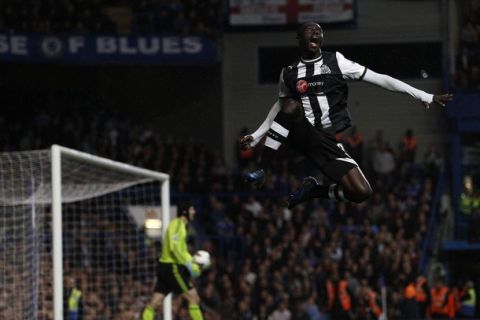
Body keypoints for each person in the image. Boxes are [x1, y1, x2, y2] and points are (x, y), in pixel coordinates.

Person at [240, 22, 453, 208]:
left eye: (319, 30)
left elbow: (382, 79)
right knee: (290, 107)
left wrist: (424, 95)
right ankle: (262, 169)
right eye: (310, 29)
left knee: (361, 192)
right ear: (299, 38)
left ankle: (313, 191)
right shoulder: (288, 72)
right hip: (301, 132)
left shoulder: (336, 62)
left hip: (326, 140)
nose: (316, 32)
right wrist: (257, 135)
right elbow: (280, 106)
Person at [142, 204, 207, 320]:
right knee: (194, 298)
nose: (194, 212)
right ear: (185, 211)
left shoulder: (181, 226)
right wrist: (189, 264)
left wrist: (191, 260)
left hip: (164, 267)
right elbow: (174, 248)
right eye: (192, 209)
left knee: (155, 302)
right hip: (171, 267)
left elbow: (182, 250)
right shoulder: (177, 225)